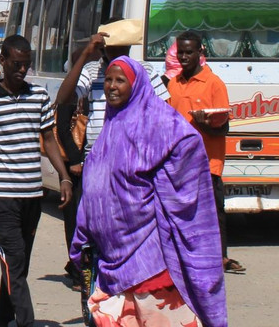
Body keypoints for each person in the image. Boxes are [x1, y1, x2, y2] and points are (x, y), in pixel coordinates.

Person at [72, 56, 227, 327]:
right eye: (108, 79)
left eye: (120, 80)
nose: (112, 86)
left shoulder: (158, 123)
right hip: (110, 266)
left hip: (153, 265)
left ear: (137, 86)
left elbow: (187, 144)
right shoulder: (109, 129)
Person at [0, 34, 71, 327]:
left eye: (26, 65)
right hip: (2, 193)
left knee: (17, 264)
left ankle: (1, 318)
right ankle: (26, 322)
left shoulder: (39, 97)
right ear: (3, 61)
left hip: (31, 194)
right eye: (16, 64)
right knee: (14, 261)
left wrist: (64, 176)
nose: (22, 70)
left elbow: (49, 139)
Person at [54, 18, 171, 287]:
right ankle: (94, 279)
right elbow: (63, 99)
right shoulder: (94, 72)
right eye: (112, 50)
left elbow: (165, 114)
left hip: (134, 165)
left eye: (124, 50)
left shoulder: (146, 73)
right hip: (97, 164)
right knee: (95, 226)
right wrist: (85, 54)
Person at [167, 31, 243, 276]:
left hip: (207, 163)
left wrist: (204, 124)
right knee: (181, 214)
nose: (185, 57)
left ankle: (219, 257)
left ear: (201, 54)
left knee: (212, 213)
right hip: (179, 164)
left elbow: (223, 128)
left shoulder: (214, 83)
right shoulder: (174, 83)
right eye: (181, 52)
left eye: (190, 52)